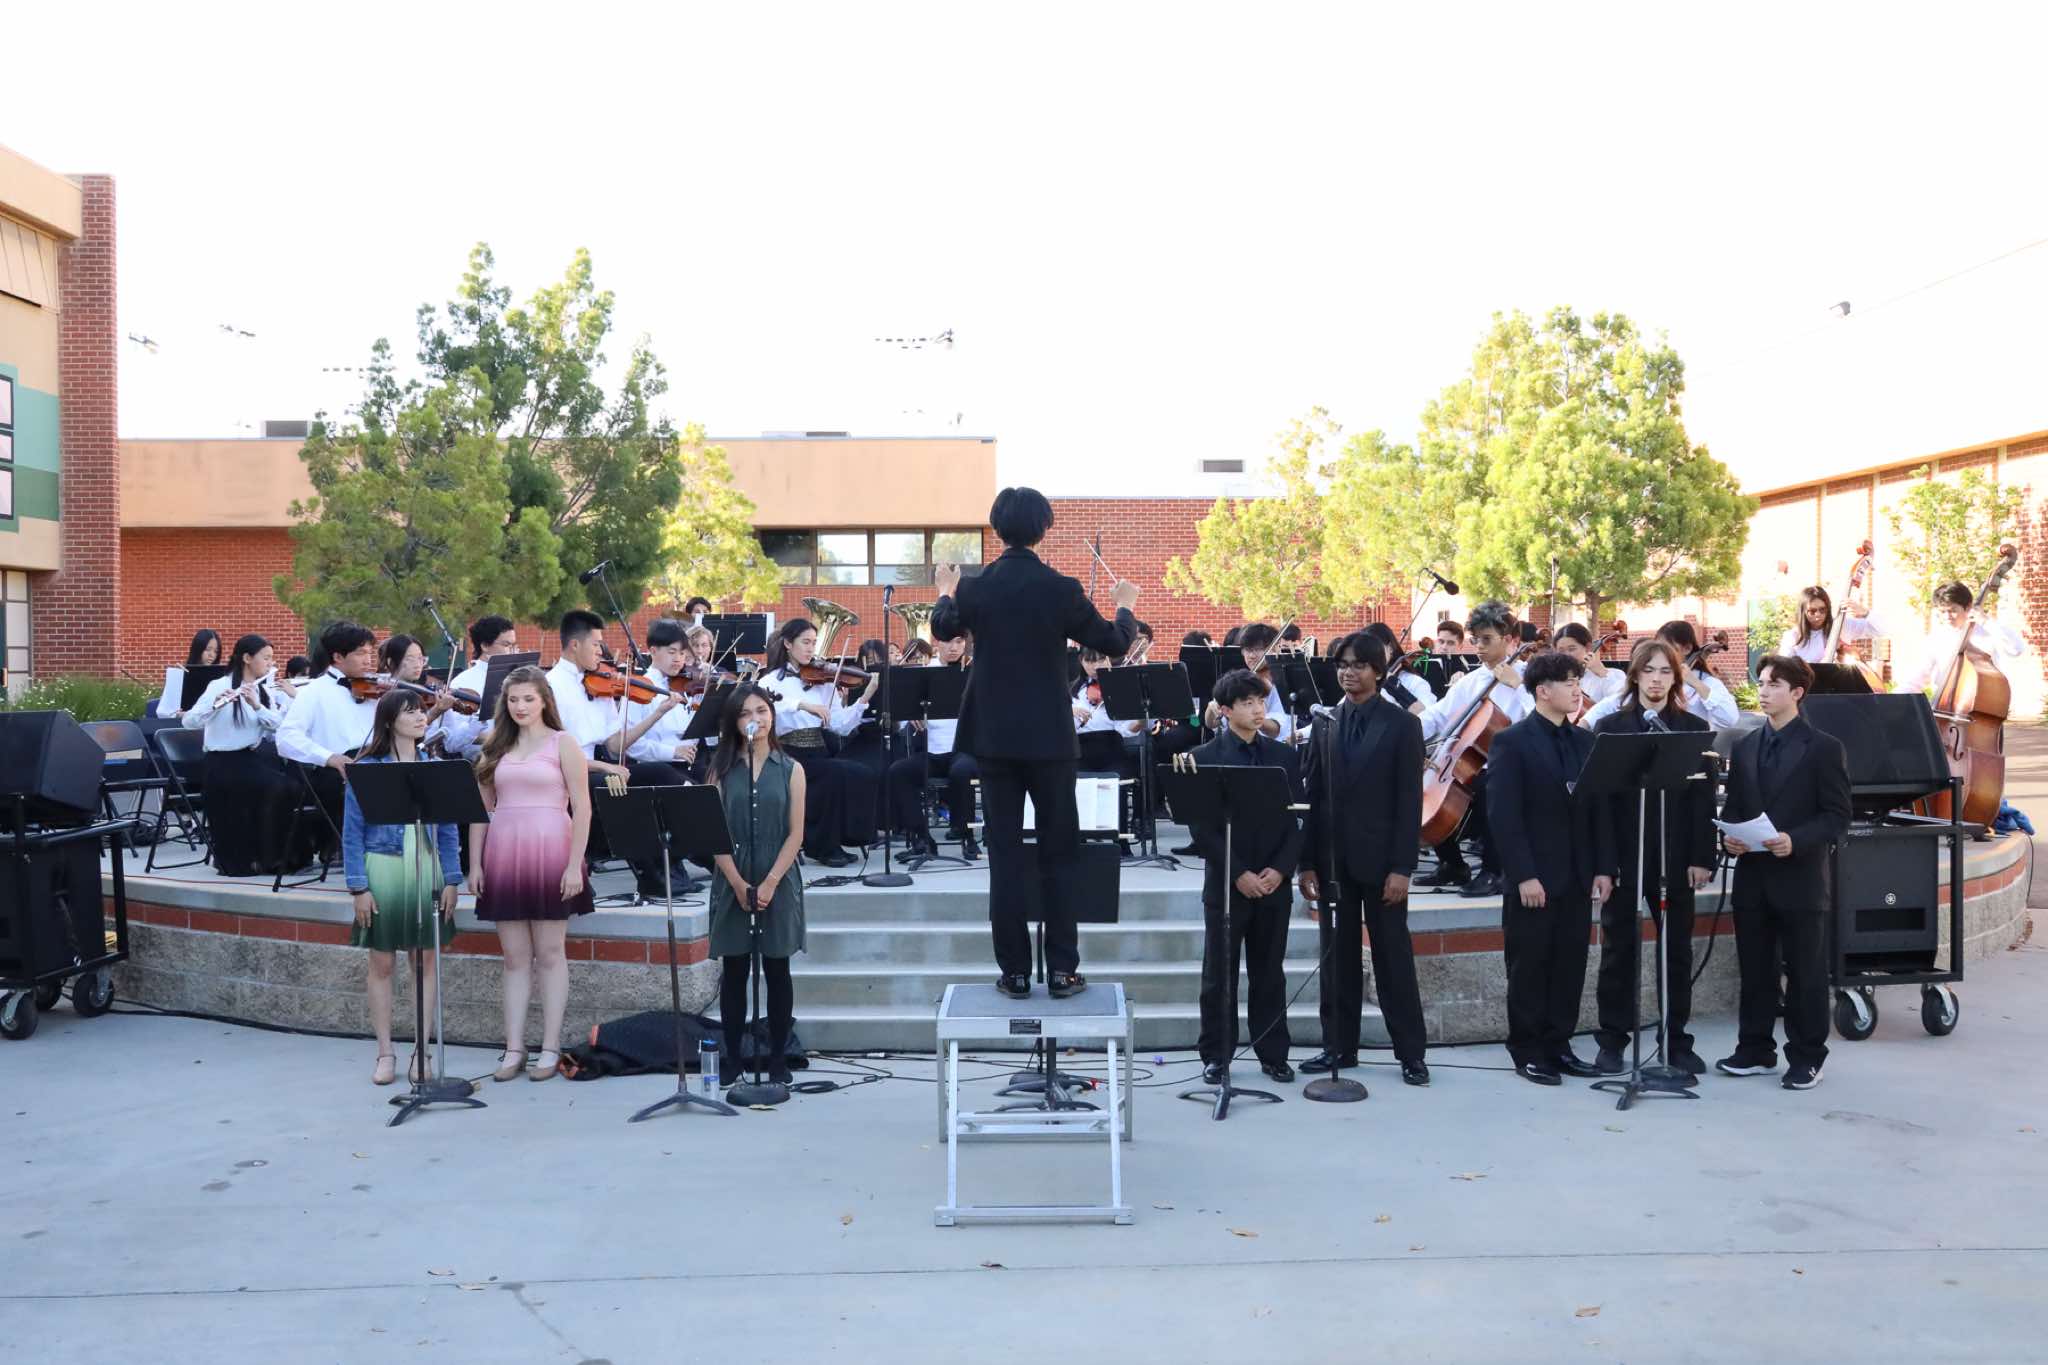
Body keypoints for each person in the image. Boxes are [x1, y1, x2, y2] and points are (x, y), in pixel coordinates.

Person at [932, 485, 1137, 999]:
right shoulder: (1061, 588)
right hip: (1050, 740)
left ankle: (1015, 972)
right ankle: (1063, 970)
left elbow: (941, 627)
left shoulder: (976, 589)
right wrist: (1124, 607)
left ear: (997, 528)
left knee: (1004, 857)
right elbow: (1114, 642)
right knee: (1059, 853)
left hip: (994, 739)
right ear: (1043, 529)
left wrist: (946, 590)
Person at [1298, 631, 1430, 1086]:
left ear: (1378, 670)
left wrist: (1403, 867)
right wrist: (1307, 862)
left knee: (1393, 959)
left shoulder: (1402, 725)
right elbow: (1313, 796)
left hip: (1383, 863)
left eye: (1358, 665)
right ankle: (1339, 1046)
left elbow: (1409, 801)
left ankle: (1411, 1053)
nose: (1348, 672)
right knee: (1337, 960)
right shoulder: (1325, 722)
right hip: (1334, 862)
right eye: (1342, 665)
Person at [1716, 654, 1851, 1090]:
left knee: (1806, 972)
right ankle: (1755, 1049)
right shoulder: (1744, 746)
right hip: (1753, 876)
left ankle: (1808, 1056)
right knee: (1755, 969)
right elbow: (1735, 807)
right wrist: (1730, 838)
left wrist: (1796, 839)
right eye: (1761, 682)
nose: (1764, 690)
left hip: (1800, 877)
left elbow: (1837, 816)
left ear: (1797, 692)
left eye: (1774, 684)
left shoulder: (1825, 747)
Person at [1485, 650, 1616, 1086]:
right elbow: (1504, 816)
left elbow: (1597, 811)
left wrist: (1604, 868)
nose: (1578, 690)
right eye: (1569, 683)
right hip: (1534, 878)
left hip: (1577, 876)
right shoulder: (1511, 741)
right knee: (1529, 966)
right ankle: (1527, 1049)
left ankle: (1559, 1044)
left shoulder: (1585, 741)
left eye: (1579, 682)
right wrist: (1524, 875)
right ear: (1543, 691)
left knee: (1570, 965)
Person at [1589, 640, 1718, 1077]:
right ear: (1635, 676)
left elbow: (1703, 800)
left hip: (1676, 858)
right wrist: (1604, 866)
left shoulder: (1693, 728)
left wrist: (1702, 856)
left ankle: (1675, 1040)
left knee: (1676, 952)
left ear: (1675, 679)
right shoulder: (1610, 728)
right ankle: (1612, 1041)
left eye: (1665, 671)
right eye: (1649, 670)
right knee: (1618, 951)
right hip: (1625, 858)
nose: (1657, 679)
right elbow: (1600, 805)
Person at [470, 665, 594, 1084]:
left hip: (552, 851)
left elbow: (583, 807)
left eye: (528, 698)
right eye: (513, 699)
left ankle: (550, 1046)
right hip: (504, 853)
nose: (520, 706)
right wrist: (475, 863)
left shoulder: (563, 743)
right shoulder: (494, 746)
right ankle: (514, 1047)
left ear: (544, 701)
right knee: (514, 957)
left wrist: (575, 863)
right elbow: (481, 810)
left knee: (551, 953)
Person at [1184, 668, 1304, 1085]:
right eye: (1247, 703)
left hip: (1273, 880)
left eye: (1260, 702)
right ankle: (1216, 1055)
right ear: (1225, 710)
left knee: (1270, 972)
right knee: (1219, 973)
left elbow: (1298, 819)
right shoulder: (1204, 757)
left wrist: (1281, 869)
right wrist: (1238, 873)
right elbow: (1202, 828)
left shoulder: (1283, 756)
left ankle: (1273, 1053)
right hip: (1227, 882)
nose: (1257, 710)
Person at [341, 690, 464, 1087]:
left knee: (424, 959)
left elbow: (448, 827)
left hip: (426, 866)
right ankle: (385, 1052)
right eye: (410, 712)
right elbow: (352, 832)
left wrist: (452, 879)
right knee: (382, 962)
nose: (420, 717)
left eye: (421, 711)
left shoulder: (435, 767)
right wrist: (358, 887)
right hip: (383, 866)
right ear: (390, 721)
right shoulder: (366, 769)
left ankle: (422, 1051)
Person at [708, 684, 807, 1088]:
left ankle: (778, 1055)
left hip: (777, 874)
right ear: (734, 722)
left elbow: (796, 833)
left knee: (777, 968)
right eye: (746, 713)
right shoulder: (720, 770)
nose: (756, 719)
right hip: (733, 872)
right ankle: (733, 1055)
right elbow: (713, 834)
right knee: (735, 970)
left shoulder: (791, 769)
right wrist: (736, 882)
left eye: (762, 711)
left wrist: (769, 883)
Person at [542, 610, 667, 898]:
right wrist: (605, 767)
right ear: (575, 645)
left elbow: (614, 745)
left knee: (662, 774)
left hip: (598, 764)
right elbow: (552, 751)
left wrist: (657, 714)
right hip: (566, 769)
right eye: (596, 644)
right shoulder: (551, 686)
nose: (601, 651)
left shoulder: (599, 682)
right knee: (615, 788)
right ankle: (650, 877)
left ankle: (689, 863)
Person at [1417, 601, 1528, 897]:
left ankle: (1494, 871)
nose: (1479, 647)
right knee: (1423, 788)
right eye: (1476, 639)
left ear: (1509, 639)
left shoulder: (1529, 676)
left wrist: (1519, 686)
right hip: (1475, 762)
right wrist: (1407, 733)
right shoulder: (1473, 680)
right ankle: (1453, 865)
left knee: (1493, 786)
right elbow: (1438, 715)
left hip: (1517, 766)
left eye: (1487, 639)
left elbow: (1544, 717)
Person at [758, 618, 882, 867]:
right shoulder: (770, 681)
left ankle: (846, 837)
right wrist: (802, 705)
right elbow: (767, 709)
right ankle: (821, 847)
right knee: (831, 775)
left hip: (817, 751)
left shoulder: (824, 681)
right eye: (805, 642)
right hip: (786, 754)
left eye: (813, 643)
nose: (811, 649)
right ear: (788, 644)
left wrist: (864, 699)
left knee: (863, 773)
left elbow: (840, 725)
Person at [182, 633, 296, 876]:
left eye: (272, 659)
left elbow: (277, 726)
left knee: (289, 787)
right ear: (247, 658)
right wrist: (214, 706)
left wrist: (257, 706)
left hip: (250, 759)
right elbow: (189, 721)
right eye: (266, 658)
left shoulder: (262, 691)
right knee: (273, 786)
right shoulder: (218, 686)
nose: (270, 664)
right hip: (221, 762)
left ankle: (273, 857)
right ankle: (247, 860)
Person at [277, 622, 382, 862]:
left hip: (374, 762)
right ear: (338, 657)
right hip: (336, 771)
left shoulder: (374, 690)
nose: (368, 660)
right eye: (361, 653)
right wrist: (330, 758)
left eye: (370, 653)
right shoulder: (314, 691)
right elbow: (286, 738)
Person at [885, 632, 980, 856]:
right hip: (932, 753)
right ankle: (922, 837)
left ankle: (966, 835)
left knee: (963, 771)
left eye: (959, 642)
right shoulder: (924, 673)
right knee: (898, 772)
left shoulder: (973, 673)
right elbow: (903, 714)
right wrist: (911, 714)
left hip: (962, 750)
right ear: (938, 643)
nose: (954, 647)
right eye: (948, 641)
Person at [1578, 621, 1739, 728]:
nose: (1662, 652)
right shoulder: (1651, 679)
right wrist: (1584, 724)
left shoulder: (1708, 683)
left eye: (1668, 647)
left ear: (1687, 649)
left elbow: (1729, 719)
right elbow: (1613, 703)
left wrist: (1695, 683)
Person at [1891, 580, 2025, 695]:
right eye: (1942, 611)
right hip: (1944, 706)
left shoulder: (1987, 631)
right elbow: (1916, 678)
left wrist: (1985, 621)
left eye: (1953, 610)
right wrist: (1893, 701)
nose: (1947, 617)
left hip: (1983, 705)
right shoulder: (1937, 638)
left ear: (1968, 607)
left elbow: (2016, 649)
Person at [429, 614, 520, 760]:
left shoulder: (517, 677)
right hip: (482, 761)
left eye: (513, 645)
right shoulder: (464, 681)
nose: (512, 651)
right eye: (506, 645)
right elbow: (454, 740)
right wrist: (503, 739)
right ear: (485, 646)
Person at [1780, 585, 1883, 666]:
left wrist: (1865, 612)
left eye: (1822, 610)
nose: (1818, 614)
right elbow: (1785, 669)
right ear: (1803, 612)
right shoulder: (1792, 636)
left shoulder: (1840, 625)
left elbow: (1879, 631)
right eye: (1812, 611)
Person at [1552, 623, 1622, 709]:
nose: (1566, 655)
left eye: (1572, 649)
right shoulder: (1553, 678)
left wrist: (1602, 672)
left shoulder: (1614, 675)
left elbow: (1622, 703)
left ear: (1588, 648)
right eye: (1561, 651)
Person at [159, 629, 223, 720]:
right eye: (208, 649)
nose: (212, 655)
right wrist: (177, 714)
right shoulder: (180, 674)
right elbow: (165, 712)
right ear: (198, 649)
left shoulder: (221, 678)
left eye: (216, 651)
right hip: (182, 724)